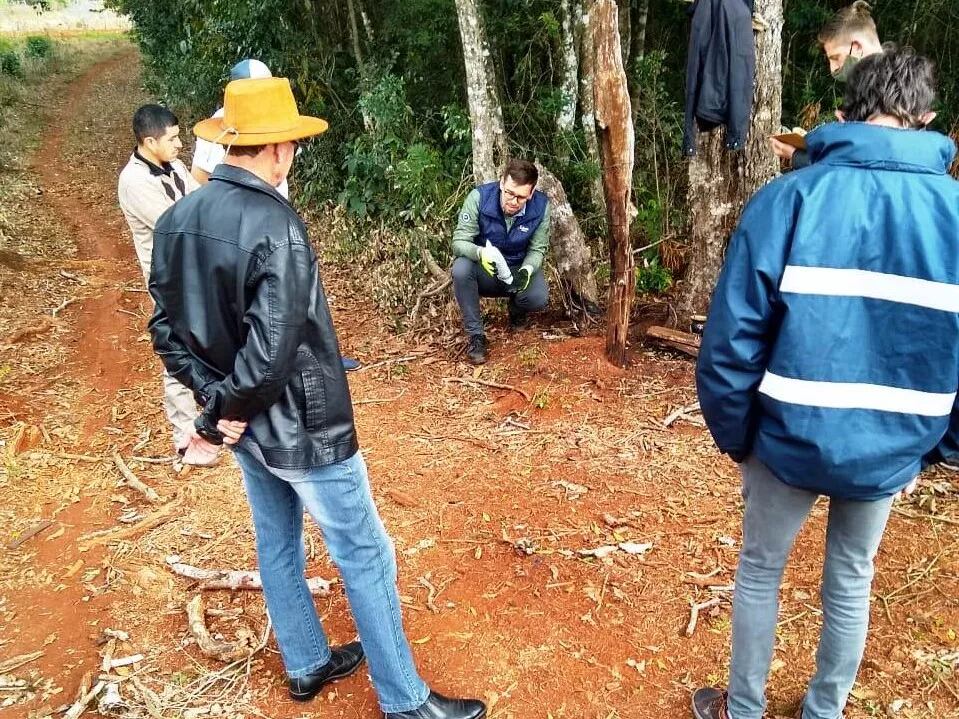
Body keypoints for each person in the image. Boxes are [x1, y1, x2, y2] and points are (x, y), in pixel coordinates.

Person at [148, 76, 487, 719]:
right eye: (292, 144)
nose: (293, 156)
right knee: (365, 553)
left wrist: (217, 408)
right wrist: (230, 409)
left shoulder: (177, 219)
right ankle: (405, 701)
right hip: (302, 428)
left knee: (276, 541)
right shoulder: (276, 223)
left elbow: (165, 328)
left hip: (246, 428)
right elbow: (273, 350)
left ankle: (305, 661)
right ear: (277, 149)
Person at [692, 47, 959, 719]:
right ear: (927, 117)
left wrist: (738, 436)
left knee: (759, 571)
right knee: (850, 578)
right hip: (889, 447)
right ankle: (823, 709)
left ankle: (743, 708)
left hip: (784, 438)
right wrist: (933, 446)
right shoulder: (954, 212)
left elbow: (729, 341)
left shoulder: (789, 197)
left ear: (845, 113)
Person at [191, 58, 362, 372]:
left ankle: (321, 355)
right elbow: (200, 174)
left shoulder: (276, 117)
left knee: (304, 289)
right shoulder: (221, 124)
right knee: (265, 301)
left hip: (278, 214)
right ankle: (269, 367)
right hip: (245, 227)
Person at [117, 104, 213, 465]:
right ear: (149, 141)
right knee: (178, 353)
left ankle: (211, 423)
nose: (179, 145)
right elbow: (176, 223)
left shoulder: (172, 166)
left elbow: (197, 202)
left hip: (196, 270)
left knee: (207, 343)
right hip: (171, 279)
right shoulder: (134, 181)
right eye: (172, 139)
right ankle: (185, 439)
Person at [450, 159, 550, 365]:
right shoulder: (479, 197)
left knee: (538, 297)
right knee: (461, 269)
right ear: (502, 183)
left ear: (530, 194)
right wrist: (479, 253)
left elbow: (537, 249)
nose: (513, 201)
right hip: (487, 269)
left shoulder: (541, 207)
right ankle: (476, 336)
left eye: (521, 197)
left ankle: (517, 310)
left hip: (517, 267)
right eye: (509, 193)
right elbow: (459, 242)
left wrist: (527, 270)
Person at [770, 1, 883, 169]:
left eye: (836, 58)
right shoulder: (879, 82)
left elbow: (857, 166)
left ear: (857, 47)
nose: (833, 69)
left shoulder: (886, 91)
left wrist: (795, 156)